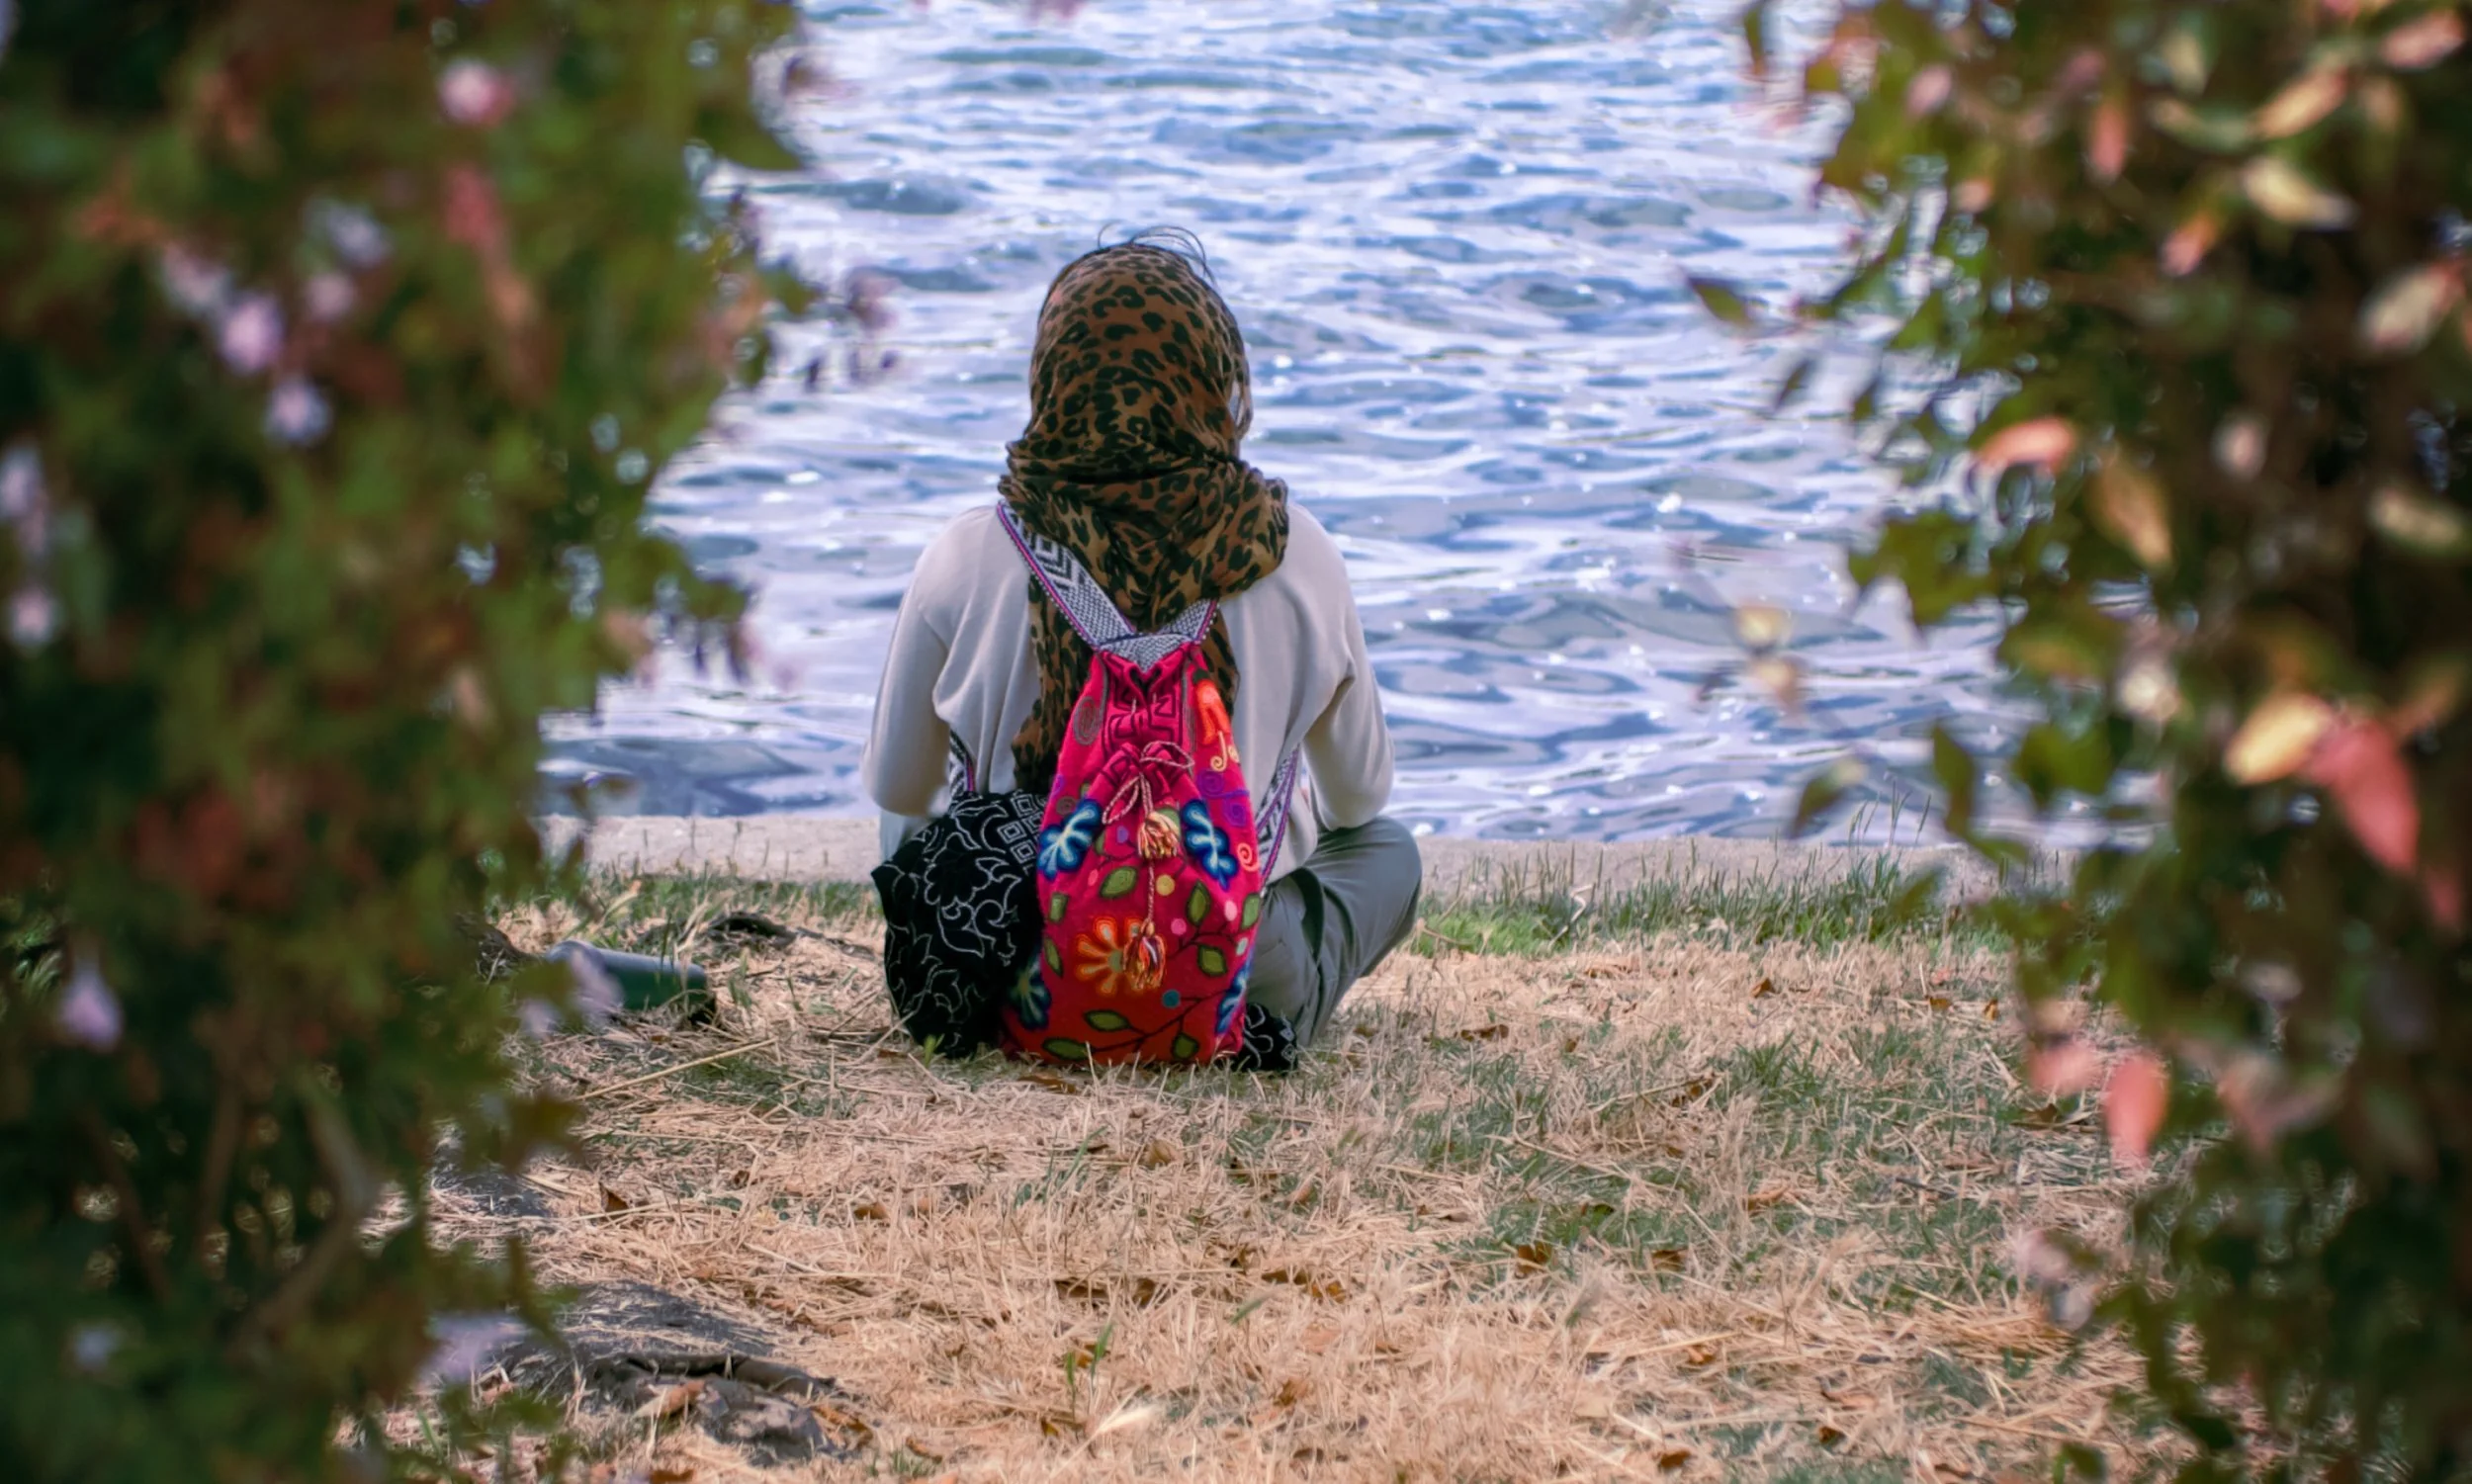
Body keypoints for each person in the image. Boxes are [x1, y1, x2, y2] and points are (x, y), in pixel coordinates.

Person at [860, 234, 1418, 1051]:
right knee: (1389, 852)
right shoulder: (1299, 554)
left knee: (914, 824)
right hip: (1223, 966)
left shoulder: (966, 554)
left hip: (1005, 957)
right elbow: (1359, 802)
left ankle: (1009, 999)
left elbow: (900, 789)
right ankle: (1226, 1006)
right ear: (1216, 379)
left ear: (1050, 378)